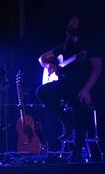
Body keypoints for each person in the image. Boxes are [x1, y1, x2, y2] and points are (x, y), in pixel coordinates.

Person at [36, 16, 103, 162]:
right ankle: (67, 120)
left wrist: (87, 89)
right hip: (65, 85)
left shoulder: (89, 45)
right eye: (70, 22)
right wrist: (49, 65)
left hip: (82, 87)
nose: (72, 24)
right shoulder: (63, 48)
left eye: (75, 22)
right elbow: (42, 59)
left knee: (80, 107)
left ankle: (78, 151)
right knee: (42, 92)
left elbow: (97, 68)